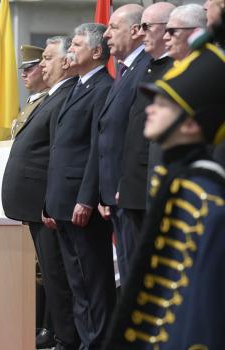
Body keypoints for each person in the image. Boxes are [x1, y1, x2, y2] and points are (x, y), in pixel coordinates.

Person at [104, 41, 225, 350]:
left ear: (190, 122)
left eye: (164, 103)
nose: (151, 108)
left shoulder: (206, 198)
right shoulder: (181, 183)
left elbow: (199, 308)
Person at [42, 25, 115, 350]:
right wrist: (49, 200)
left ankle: (96, 342)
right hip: (62, 200)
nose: (70, 50)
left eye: (77, 44)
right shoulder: (77, 86)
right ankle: (86, 341)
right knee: (76, 282)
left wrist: (86, 198)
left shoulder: (102, 87)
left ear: (97, 52)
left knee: (92, 281)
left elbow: (95, 150)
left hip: (80, 203)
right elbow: (60, 150)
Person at [2, 40, 77, 350]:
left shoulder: (63, 97)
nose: (42, 65)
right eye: (41, 60)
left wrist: (49, 198)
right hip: (35, 201)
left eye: (47, 59)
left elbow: (59, 154)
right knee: (48, 273)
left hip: (47, 201)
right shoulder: (50, 97)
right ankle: (55, 331)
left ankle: (66, 337)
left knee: (56, 275)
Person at [100, 4, 151, 284]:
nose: (106, 35)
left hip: (130, 189)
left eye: (113, 27)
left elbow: (136, 133)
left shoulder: (145, 68)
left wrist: (121, 183)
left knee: (136, 274)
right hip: (116, 193)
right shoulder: (125, 71)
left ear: (135, 31)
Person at [119, 2, 176, 243]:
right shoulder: (148, 68)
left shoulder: (175, 68)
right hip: (134, 185)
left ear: (167, 30)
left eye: (146, 26)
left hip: (153, 184)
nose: (140, 33)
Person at [9, 45, 50, 138]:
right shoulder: (34, 99)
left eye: (28, 69)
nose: (23, 75)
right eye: (23, 70)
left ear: (43, 68)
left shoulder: (50, 98)